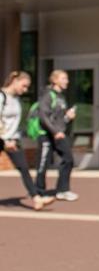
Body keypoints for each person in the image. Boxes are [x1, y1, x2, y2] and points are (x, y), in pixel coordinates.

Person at [0, 71, 55, 211]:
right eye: (24, 86)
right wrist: (5, 140)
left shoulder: (16, 100)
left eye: (27, 87)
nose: (25, 90)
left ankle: (37, 199)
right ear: (15, 81)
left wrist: (14, 137)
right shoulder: (2, 96)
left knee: (24, 168)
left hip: (13, 139)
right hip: (3, 138)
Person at [35, 69, 78, 202]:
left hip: (59, 134)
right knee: (43, 164)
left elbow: (59, 118)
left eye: (67, 79)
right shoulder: (48, 95)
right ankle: (39, 192)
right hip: (48, 135)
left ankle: (62, 190)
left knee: (68, 160)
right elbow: (43, 116)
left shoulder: (61, 97)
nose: (67, 81)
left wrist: (68, 117)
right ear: (55, 80)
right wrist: (55, 131)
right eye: (64, 78)